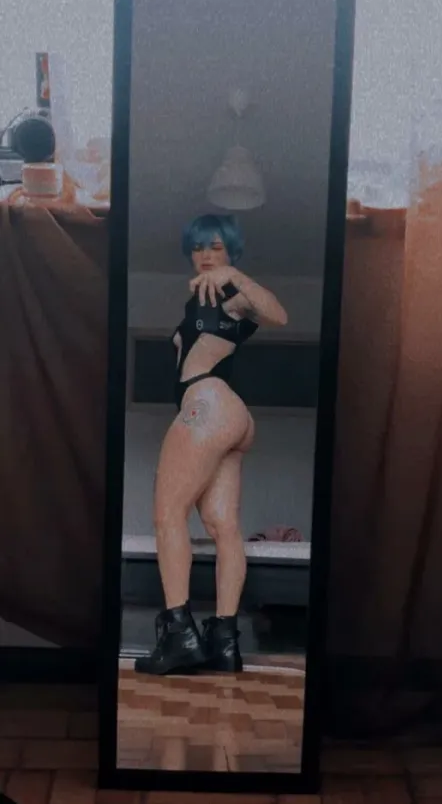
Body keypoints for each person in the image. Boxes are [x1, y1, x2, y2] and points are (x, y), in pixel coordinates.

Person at [135, 214, 287, 676]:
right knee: (223, 526)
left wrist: (234, 276)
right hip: (229, 414)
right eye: (199, 247)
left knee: (167, 514)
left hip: (208, 403)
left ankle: (180, 637)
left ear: (231, 253)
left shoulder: (231, 294)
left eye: (216, 247)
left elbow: (278, 314)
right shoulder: (200, 298)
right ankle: (224, 642)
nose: (205, 255)